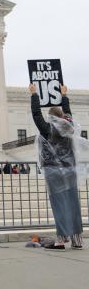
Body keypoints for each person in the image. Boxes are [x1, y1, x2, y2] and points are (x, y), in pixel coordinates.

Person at [30, 83, 84, 250]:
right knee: (73, 204)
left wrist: (34, 95)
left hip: (54, 171)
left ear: (51, 117)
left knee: (59, 204)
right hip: (70, 170)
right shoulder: (68, 127)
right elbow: (68, 113)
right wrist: (64, 96)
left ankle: (61, 239)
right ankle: (77, 240)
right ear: (62, 117)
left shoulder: (47, 129)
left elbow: (36, 114)